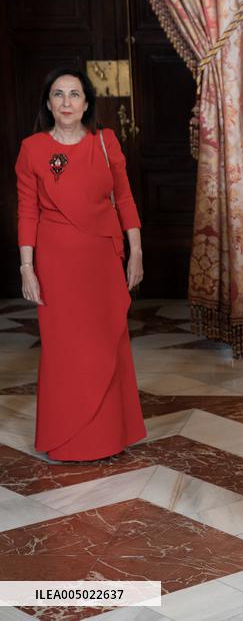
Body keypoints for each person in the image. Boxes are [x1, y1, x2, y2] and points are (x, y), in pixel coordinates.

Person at [15, 67, 146, 462]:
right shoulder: (32, 148)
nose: (67, 102)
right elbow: (28, 210)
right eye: (59, 94)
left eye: (74, 94)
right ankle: (65, 438)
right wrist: (27, 267)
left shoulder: (106, 142)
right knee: (64, 349)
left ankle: (108, 436)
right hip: (56, 265)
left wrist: (136, 251)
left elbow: (124, 198)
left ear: (87, 103)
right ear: (48, 103)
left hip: (102, 260)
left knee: (105, 341)